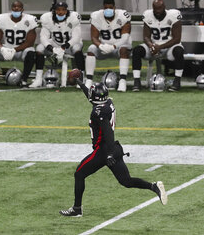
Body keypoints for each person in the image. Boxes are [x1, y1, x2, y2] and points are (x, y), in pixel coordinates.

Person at [59, 80, 168, 217]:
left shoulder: (99, 111)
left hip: (104, 150)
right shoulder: (108, 103)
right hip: (114, 148)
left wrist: (109, 154)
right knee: (126, 181)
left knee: (79, 174)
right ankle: (153, 186)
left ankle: (77, 209)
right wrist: (80, 83)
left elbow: (108, 132)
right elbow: (93, 98)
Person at [0, 0, 37, 88]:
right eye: (14, 7)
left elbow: (30, 42)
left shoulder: (30, 19)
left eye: (18, 7)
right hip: (6, 48)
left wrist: (15, 50)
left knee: (31, 53)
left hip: (21, 50)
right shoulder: (2, 18)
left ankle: (24, 80)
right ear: (11, 8)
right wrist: (2, 48)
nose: (16, 8)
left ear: (22, 9)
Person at [132, 0, 184, 92]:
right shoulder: (148, 15)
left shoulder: (173, 15)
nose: (158, 11)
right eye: (155, 9)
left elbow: (177, 38)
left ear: (164, 7)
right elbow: (146, 37)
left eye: (160, 8)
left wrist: (159, 47)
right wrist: (151, 45)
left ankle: (177, 81)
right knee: (137, 50)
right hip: (154, 47)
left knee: (179, 51)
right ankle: (137, 82)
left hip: (170, 47)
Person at [29, 2, 85, 88]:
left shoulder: (73, 18)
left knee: (77, 48)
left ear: (67, 11)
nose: (60, 12)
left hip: (70, 44)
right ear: (54, 11)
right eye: (58, 10)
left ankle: (81, 78)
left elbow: (76, 37)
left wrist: (64, 47)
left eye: (63, 10)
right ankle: (38, 79)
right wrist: (51, 47)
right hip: (55, 44)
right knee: (39, 48)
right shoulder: (47, 19)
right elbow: (44, 37)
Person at [84, 0, 131, 92]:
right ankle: (89, 80)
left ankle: (122, 80)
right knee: (91, 49)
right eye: (106, 7)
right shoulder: (96, 16)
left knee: (124, 50)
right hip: (104, 47)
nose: (108, 9)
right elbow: (94, 38)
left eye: (110, 7)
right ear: (103, 8)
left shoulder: (123, 16)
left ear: (114, 7)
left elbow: (125, 38)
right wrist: (101, 46)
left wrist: (113, 46)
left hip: (119, 47)